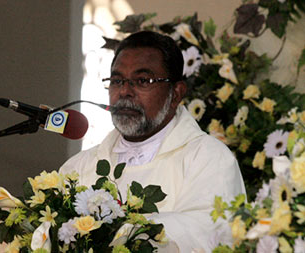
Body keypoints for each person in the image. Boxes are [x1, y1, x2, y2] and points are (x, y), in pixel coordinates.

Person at [60, 31, 246, 252]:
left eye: (142, 81)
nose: (124, 91)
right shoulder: (79, 167)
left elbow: (209, 234)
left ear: (176, 93)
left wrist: (123, 234)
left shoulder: (209, 159)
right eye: (117, 80)